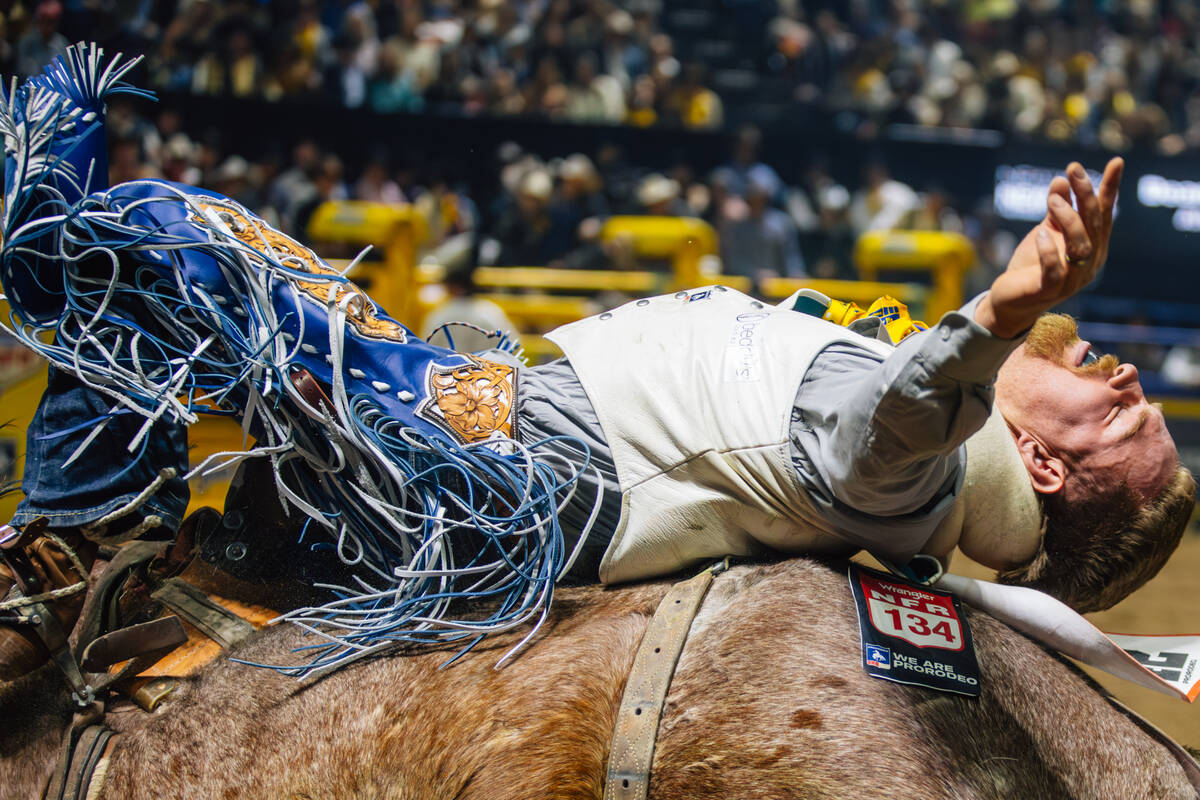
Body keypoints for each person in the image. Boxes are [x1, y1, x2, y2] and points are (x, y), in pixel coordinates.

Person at [0, 46, 1193, 682]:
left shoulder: (921, 482)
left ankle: (70, 542)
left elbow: (885, 427)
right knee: (195, 261)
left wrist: (994, 310)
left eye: (1126, 421)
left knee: (163, 236)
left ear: (1036, 464)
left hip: (494, 462)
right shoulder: (927, 472)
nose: (1133, 382)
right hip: (498, 425)